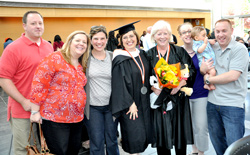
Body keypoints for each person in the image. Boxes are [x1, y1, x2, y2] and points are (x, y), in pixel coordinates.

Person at [0, 11, 53, 154]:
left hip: (45, 109)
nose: (38, 26)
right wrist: (24, 101)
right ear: (24, 25)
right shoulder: (13, 49)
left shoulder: (48, 46)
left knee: (42, 148)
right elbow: (3, 79)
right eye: (33, 23)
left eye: (40, 23)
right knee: (24, 149)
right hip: (22, 110)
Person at [29, 30, 90, 155]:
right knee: (59, 152)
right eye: (77, 40)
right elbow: (39, 84)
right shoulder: (55, 58)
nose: (81, 44)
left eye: (84, 42)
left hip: (77, 119)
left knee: (73, 151)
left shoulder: (81, 63)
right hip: (55, 118)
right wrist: (35, 112)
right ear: (69, 42)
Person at [147, 20, 196, 155]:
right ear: (153, 36)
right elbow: (144, 77)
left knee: (179, 137)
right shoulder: (149, 54)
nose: (162, 37)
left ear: (170, 35)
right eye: (158, 34)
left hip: (178, 100)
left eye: (165, 33)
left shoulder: (179, 51)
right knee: (162, 138)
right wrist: (153, 88)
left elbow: (191, 70)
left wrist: (180, 84)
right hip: (159, 101)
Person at [201, 19, 248, 155]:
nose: (220, 34)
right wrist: (203, 69)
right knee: (218, 144)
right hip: (212, 104)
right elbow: (203, 66)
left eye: (224, 31)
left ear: (232, 31)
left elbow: (232, 75)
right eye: (217, 31)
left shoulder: (240, 49)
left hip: (232, 105)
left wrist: (208, 80)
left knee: (235, 148)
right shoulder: (212, 48)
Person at [111, 20, 153, 154]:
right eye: (125, 37)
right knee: (134, 136)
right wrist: (130, 103)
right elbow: (118, 84)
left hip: (144, 102)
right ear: (121, 41)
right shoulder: (119, 58)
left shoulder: (143, 55)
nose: (129, 40)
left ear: (136, 37)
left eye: (131, 36)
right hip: (130, 105)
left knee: (143, 135)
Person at [84, 25, 119, 155]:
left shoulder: (113, 57)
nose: (99, 42)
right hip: (93, 108)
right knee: (96, 142)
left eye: (102, 38)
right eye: (96, 38)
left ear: (107, 39)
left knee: (112, 140)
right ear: (91, 39)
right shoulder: (85, 59)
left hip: (111, 106)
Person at [178, 22, 209, 155]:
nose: (187, 34)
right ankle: (194, 150)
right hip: (183, 96)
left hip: (201, 93)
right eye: (183, 32)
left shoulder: (204, 49)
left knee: (201, 126)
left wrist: (205, 71)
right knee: (188, 125)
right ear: (180, 36)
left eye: (189, 31)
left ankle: (201, 152)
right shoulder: (177, 52)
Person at [191, 26, 216, 90]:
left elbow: (208, 40)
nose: (206, 37)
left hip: (209, 62)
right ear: (196, 38)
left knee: (207, 74)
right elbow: (199, 50)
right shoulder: (195, 44)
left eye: (206, 35)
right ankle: (210, 83)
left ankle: (206, 84)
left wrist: (210, 41)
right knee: (213, 72)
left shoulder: (205, 40)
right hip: (205, 63)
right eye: (203, 35)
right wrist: (205, 43)